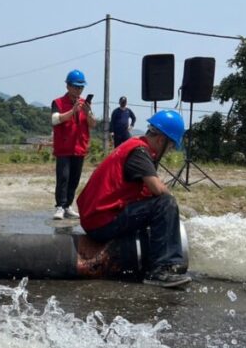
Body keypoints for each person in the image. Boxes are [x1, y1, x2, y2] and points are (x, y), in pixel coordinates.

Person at [77, 109, 192, 288]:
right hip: (101, 221)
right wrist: (171, 204)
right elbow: (158, 190)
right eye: (170, 147)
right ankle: (160, 271)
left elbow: (144, 193)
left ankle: (156, 262)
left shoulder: (134, 146)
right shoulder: (139, 152)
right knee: (166, 203)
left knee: (159, 205)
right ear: (161, 140)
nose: (168, 151)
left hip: (98, 217)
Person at [50, 69, 96, 220]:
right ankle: (60, 206)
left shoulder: (84, 104)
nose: (79, 90)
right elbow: (55, 119)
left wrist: (88, 113)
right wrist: (72, 110)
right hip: (64, 148)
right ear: (68, 86)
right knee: (63, 177)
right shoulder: (58, 102)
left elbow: (93, 124)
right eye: (76, 86)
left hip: (79, 147)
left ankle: (68, 205)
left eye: (81, 87)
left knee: (74, 178)